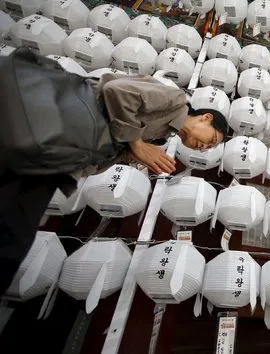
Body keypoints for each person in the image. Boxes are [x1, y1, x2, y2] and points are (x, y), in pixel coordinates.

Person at [0, 72, 229, 295]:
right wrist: (137, 145)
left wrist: (129, 154)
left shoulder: (161, 135)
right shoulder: (173, 100)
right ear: (205, 118)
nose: (205, 147)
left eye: (210, 148)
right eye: (212, 140)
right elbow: (116, 92)